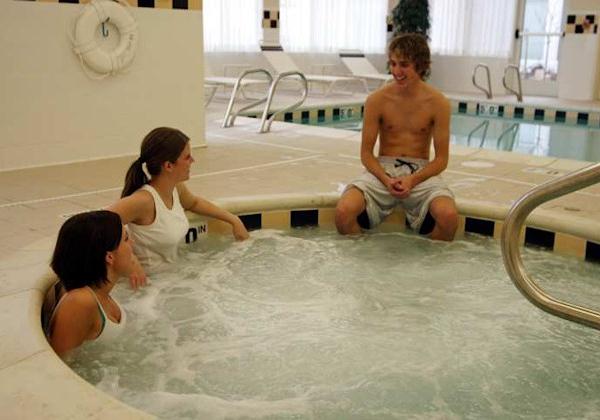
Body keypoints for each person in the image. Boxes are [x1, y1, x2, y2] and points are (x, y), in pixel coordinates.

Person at [335, 34, 458, 241]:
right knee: (343, 212)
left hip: (420, 172)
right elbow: (366, 154)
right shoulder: (377, 100)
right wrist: (386, 179)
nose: (396, 71)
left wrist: (412, 180)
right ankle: (363, 255)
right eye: (393, 64)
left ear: (421, 65)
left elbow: (441, 160)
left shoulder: (439, 103)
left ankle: (427, 259)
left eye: (404, 65)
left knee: (449, 217)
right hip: (382, 170)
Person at [108, 127, 249, 287]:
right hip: (141, 286)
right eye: (187, 157)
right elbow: (101, 223)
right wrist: (131, 262)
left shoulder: (175, 189)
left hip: (167, 280)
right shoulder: (143, 200)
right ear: (168, 165)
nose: (192, 161)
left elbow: (194, 203)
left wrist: (233, 219)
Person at [47, 210, 134, 357]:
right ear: (109, 257)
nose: (132, 243)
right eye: (126, 239)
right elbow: (59, 362)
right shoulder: (79, 302)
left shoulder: (102, 293)